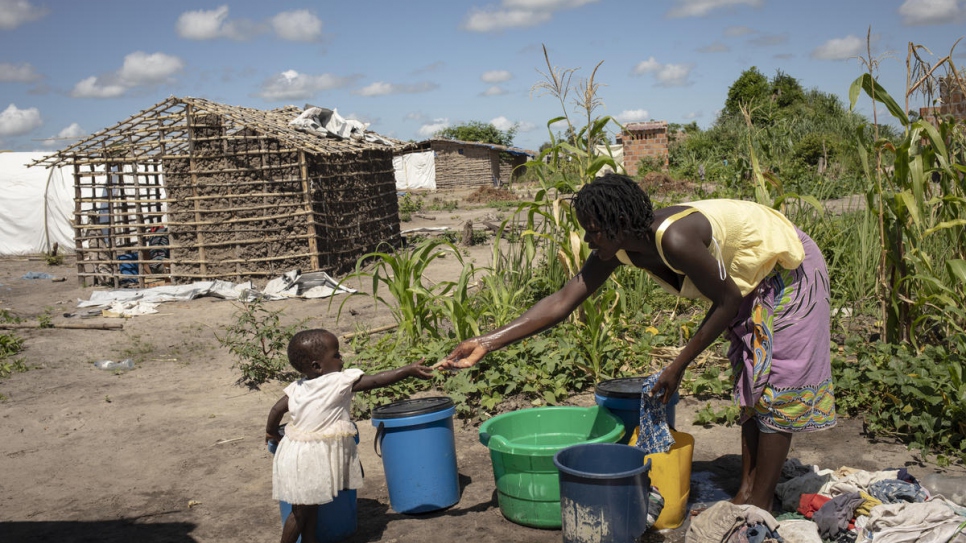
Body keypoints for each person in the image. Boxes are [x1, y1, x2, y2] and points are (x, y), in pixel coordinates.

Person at [440, 173, 836, 511]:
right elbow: (562, 301)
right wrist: (486, 342)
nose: (587, 237)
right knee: (752, 380)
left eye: (593, 229)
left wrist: (676, 367)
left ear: (622, 221)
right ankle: (746, 495)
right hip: (746, 281)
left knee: (777, 387)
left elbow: (727, 300)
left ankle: (759, 505)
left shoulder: (676, 238)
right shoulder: (617, 246)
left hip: (786, 267)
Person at [266, 329, 434, 543]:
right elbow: (375, 381)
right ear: (318, 366)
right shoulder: (338, 382)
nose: (342, 358)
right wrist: (407, 370)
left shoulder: (298, 387)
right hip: (311, 457)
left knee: (310, 505)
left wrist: (271, 431)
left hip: (296, 453)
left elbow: (276, 410)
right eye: (336, 355)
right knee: (300, 512)